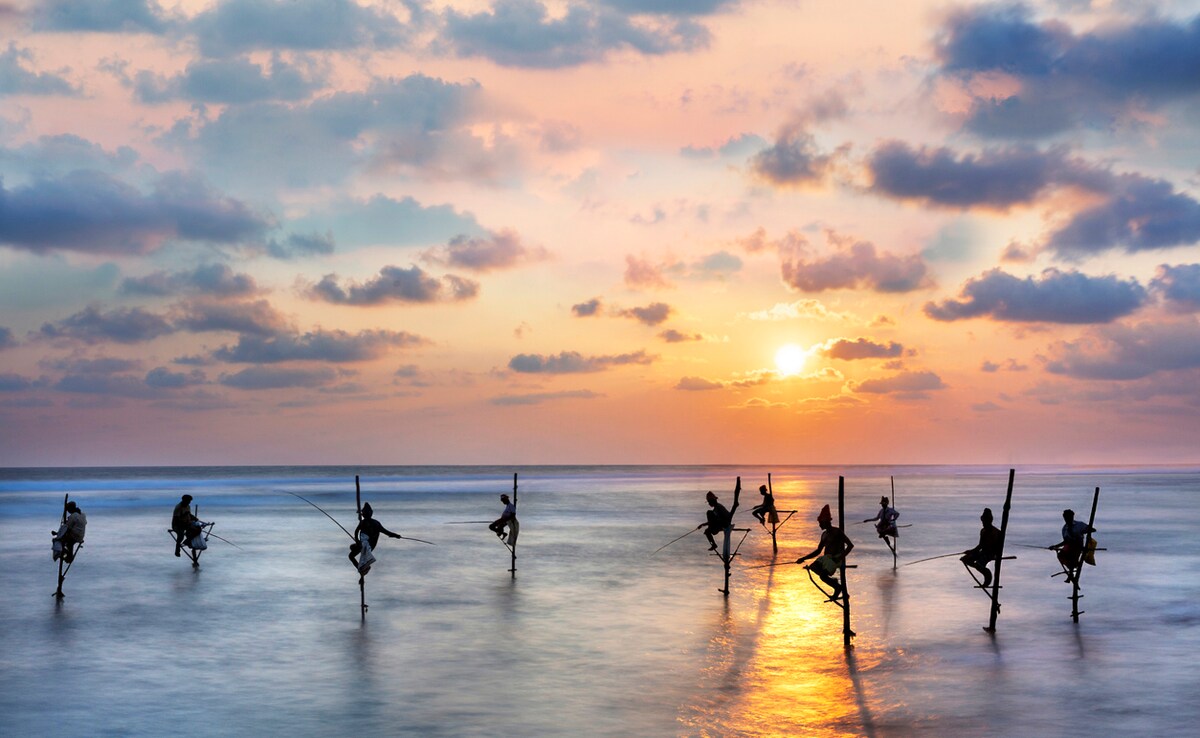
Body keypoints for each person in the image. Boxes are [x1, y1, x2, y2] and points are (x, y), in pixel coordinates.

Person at [795, 504, 854, 599]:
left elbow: (850, 546)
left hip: (836, 558)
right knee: (813, 567)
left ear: (826, 522)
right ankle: (833, 582)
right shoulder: (824, 534)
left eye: (820, 523)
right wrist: (803, 558)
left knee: (823, 576)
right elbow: (818, 551)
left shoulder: (837, 532)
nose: (819, 525)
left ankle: (838, 588)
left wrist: (840, 557)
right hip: (827, 559)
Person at [348, 502, 402, 575]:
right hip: (369, 545)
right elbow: (387, 532)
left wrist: (396, 535)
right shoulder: (376, 523)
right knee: (352, 547)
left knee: (351, 556)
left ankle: (361, 568)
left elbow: (356, 532)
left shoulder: (364, 522)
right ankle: (363, 567)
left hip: (367, 546)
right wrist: (396, 535)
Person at [960, 507, 1002, 587]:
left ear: (989, 521)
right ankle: (983, 570)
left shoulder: (996, 532)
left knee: (979, 564)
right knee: (966, 559)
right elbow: (980, 545)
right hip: (983, 552)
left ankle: (987, 574)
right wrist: (971, 551)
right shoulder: (983, 531)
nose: (983, 524)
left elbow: (996, 548)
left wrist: (990, 553)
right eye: (982, 522)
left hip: (991, 553)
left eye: (985, 522)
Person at [1053, 509, 1096, 582]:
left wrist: (1085, 531)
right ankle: (1072, 568)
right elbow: (1065, 541)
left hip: (1078, 546)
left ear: (1072, 517)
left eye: (1069, 517)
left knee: (1073, 556)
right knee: (1061, 555)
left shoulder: (1079, 525)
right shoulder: (1065, 528)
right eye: (1066, 518)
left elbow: (1093, 530)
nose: (1067, 519)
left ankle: (1071, 572)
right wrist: (1055, 546)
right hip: (1069, 546)